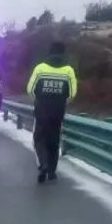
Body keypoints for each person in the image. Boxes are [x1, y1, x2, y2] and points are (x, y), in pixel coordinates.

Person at [26, 41, 78, 183]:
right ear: (63, 53)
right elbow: (73, 93)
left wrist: (38, 100)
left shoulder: (40, 68)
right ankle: (52, 172)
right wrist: (62, 103)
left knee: (39, 138)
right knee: (54, 140)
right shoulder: (68, 70)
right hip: (58, 111)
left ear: (50, 52)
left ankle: (43, 163)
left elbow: (30, 89)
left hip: (42, 109)